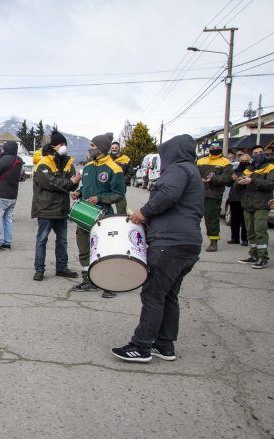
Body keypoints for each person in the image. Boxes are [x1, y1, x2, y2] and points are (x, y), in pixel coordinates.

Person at [112, 134, 203, 362]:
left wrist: (143, 213)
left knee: (153, 295)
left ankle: (141, 346)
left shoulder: (178, 169)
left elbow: (168, 194)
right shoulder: (192, 171)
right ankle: (164, 345)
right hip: (187, 244)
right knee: (168, 295)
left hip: (169, 244)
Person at [71, 133, 125, 298]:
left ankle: (110, 284)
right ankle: (88, 280)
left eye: (93, 145)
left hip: (104, 217)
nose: (90, 148)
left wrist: (100, 198)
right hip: (85, 215)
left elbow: (119, 194)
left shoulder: (114, 168)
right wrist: (78, 193)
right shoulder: (87, 167)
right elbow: (86, 188)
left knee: (105, 250)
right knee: (84, 249)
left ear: (101, 148)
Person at [31, 132, 81, 280]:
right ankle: (39, 270)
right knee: (42, 240)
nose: (63, 147)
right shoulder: (43, 162)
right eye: (61, 144)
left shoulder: (68, 163)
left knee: (62, 240)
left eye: (65, 144)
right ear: (54, 146)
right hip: (46, 208)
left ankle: (62, 268)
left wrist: (76, 181)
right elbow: (50, 183)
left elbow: (71, 186)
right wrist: (70, 182)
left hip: (61, 209)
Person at [236, 145, 274, 269]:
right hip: (248, 204)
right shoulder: (249, 169)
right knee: (250, 232)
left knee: (260, 232)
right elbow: (239, 183)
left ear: (265, 154)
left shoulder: (270, 168)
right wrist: (239, 182)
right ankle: (253, 255)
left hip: (261, 205)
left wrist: (251, 181)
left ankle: (263, 258)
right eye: (255, 153)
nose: (258, 154)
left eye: (260, 152)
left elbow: (270, 184)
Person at [196, 140, 232, 252]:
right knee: (192, 218)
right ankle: (191, 240)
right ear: (209, 149)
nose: (214, 149)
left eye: (217, 147)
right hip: (198, 193)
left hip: (213, 195)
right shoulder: (201, 160)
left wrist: (213, 180)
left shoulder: (225, 162)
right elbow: (193, 173)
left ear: (220, 148)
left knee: (211, 220)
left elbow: (227, 178)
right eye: (212, 147)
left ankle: (213, 242)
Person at [0, 141, 23, 251]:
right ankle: (7, 243)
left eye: (3, 148)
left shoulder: (5, 159)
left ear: (6, 148)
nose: (1, 150)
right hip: (13, 196)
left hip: (1, 195)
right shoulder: (19, 160)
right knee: (8, 220)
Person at [227, 153, 250, 246]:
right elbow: (228, 184)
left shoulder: (251, 171)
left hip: (246, 198)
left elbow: (246, 184)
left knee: (245, 220)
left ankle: (245, 239)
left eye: (246, 161)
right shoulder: (235, 171)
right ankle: (234, 238)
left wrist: (238, 180)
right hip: (234, 198)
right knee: (234, 219)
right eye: (242, 161)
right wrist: (232, 179)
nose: (244, 162)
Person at [109, 141, 132, 214]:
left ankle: (121, 222)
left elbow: (130, 172)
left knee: (121, 209)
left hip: (119, 188)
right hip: (107, 186)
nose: (114, 149)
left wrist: (122, 181)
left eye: (116, 148)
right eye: (112, 148)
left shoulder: (126, 159)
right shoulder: (107, 159)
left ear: (119, 148)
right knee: (104, 207)